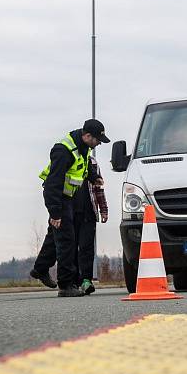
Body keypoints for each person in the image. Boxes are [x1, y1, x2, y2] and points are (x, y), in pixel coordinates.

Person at [30, 119, 110, 297]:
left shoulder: (83, 146)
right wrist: (55, 212)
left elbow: (83, 166)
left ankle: (40, 269)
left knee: (55, 236)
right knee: (67, 240)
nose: (98, 144)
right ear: (87, 136)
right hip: (59, 198)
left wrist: (93, 177)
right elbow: (52, 184)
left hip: (69, 197)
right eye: (97, 140)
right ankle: (66, 285)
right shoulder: (63, 150)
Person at [74, 156, 109, 295]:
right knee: (71, 248)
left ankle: (86, 280)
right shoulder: (70, 158)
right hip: (71, 213)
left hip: (89, 212)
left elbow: (99, 188)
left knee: (87, 248)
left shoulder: (93, 163)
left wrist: (104, 210)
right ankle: (73, 281)